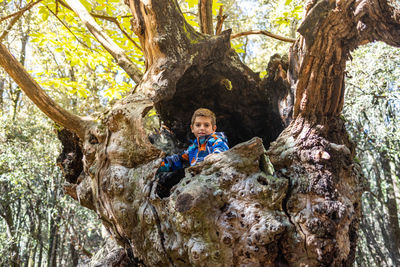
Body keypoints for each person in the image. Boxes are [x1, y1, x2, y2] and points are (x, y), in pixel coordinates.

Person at [159, 108, 229, 172]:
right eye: (198, 125)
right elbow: (178, 160)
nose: (202, 128)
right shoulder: (193, 148)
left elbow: (221, 151)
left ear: (213, 129)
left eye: (206, 125)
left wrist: (213, 158)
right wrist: (159, 166)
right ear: (192, 128)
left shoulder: (216, 140)